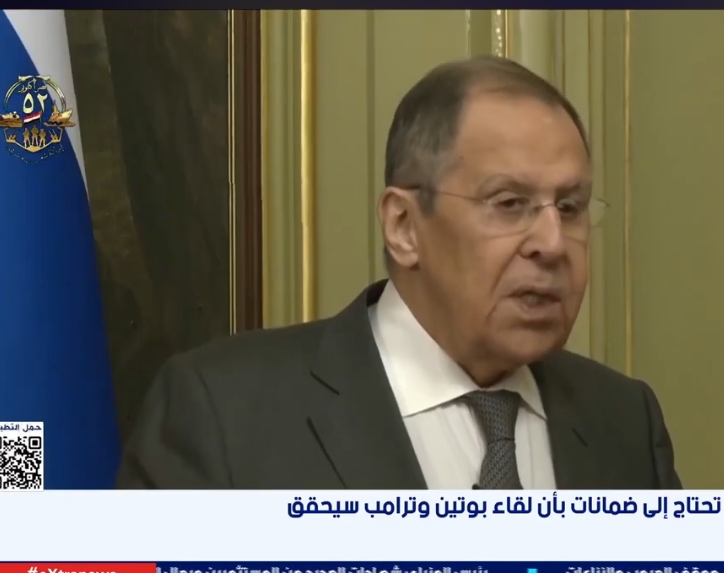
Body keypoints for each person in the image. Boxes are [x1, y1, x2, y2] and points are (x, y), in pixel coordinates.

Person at [117, 56, 682, 490]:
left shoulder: (623, 421)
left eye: (571, 207)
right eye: (510, 204)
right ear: (404, 226)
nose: (553, 244)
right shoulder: (223, 412)